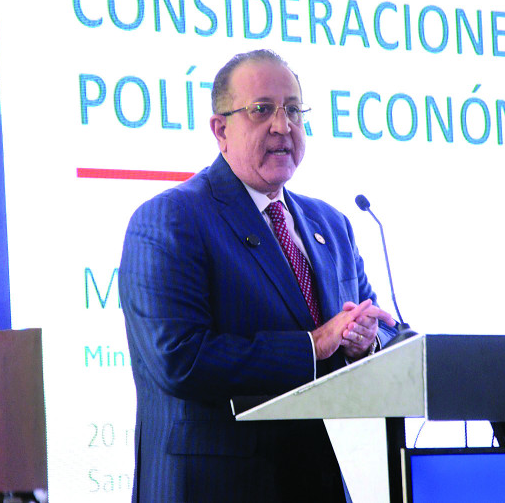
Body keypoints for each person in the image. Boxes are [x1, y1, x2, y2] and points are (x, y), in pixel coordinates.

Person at [119, 49, 397, 503]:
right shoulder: (173, 217)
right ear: (221, 129)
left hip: (316, 482)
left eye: (293, 110)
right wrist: (313, 344)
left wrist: (364, 341)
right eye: (262, 109)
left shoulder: (332, 225)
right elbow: (179, 359)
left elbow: (378, 325)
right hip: (213, 488)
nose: (282, 126)